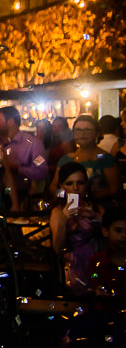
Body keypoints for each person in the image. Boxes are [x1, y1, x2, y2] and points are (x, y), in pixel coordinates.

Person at [49, 163, 100, 296]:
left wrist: (95, 217)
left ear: (86, 184)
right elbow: (57, 249)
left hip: (97, 262)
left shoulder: (95, 209)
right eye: (69, 183)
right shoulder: (58, 212)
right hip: (73, 265)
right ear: (61, 186)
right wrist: (64, 220)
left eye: (80, 183)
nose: (75, 188)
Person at [54, 115, 122, 203]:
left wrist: (87, 197)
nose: (83, 133)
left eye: (87, 130)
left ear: (97, 133)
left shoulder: (105, 159)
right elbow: (54, 187)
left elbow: (114, 189)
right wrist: (65, 196)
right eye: (78, 130)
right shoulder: (66, 159)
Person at [0, 105, 49, 202]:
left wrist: (18, 169)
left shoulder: (33, 144)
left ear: (10, 122)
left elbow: (42, 170)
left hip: (21, 195)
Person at [89, 208, 126, 298]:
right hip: (106, 309)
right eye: (118, 231)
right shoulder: (96, 261)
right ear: (105, 231)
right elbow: (97, 286)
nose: (124, 235)